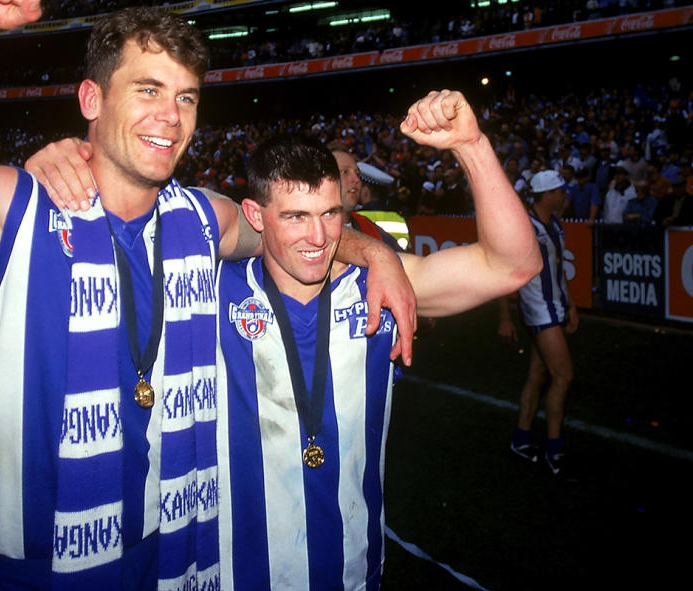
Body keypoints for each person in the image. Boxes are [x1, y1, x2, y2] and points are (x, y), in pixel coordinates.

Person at [0, 2, 415, 588]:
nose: (171, 116)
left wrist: (369, 248)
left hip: (182, 563)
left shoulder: (199, 218)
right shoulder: (10, 210)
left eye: (186, 96)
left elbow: (286, 227)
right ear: (91, 99)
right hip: (44, 573)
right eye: (148, 89)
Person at [215, 92, 539, 589]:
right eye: (295, 216)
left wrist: (471, 145)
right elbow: (181, 212)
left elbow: (514, 266)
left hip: (354, 573)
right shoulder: (213, 289)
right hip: (236, 576)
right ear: (257, 217)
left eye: (329, 213)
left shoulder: (377, 288)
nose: (318, 236)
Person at [499, 169, 578, 476]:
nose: (563, 195)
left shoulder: (555, 224)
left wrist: (570, 303)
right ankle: (554, 446)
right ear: (546, 195)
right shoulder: (525, 227)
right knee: (563, 376)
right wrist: (505, 318)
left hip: (553, 307)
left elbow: (557, 269)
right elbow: (506, 274)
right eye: (559, 191)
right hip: (538, 310)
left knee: (539, 373)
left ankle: (521, 438)